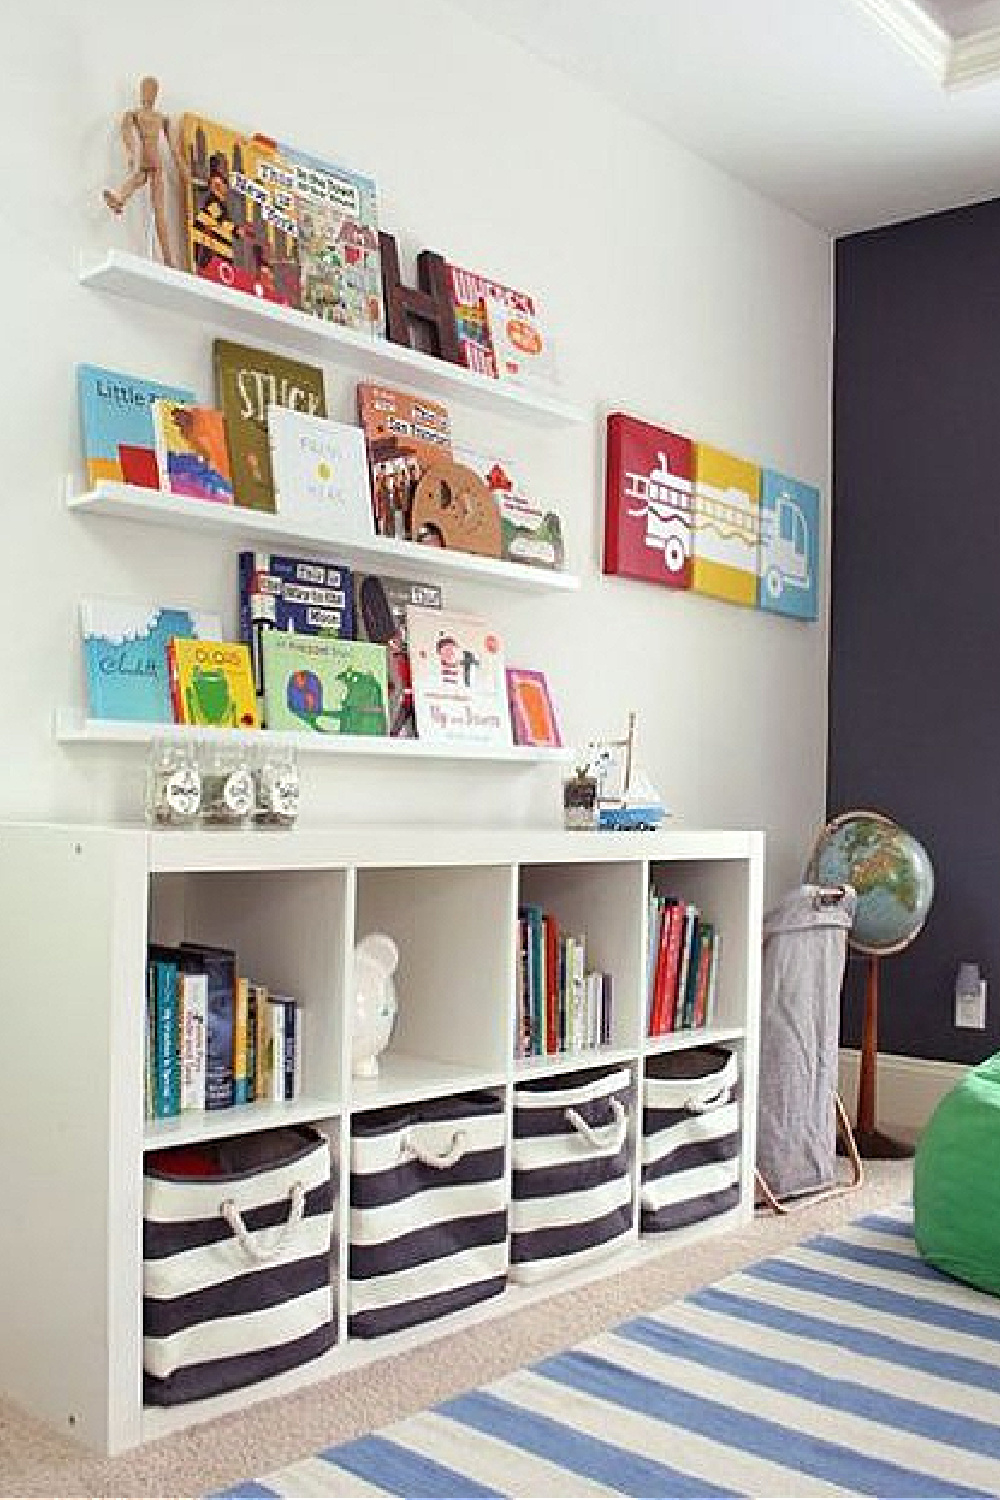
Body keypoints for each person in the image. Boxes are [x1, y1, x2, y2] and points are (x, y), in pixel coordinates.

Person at [103, 76, 186, 268]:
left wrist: (185, 172)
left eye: (152, 90)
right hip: (143, 159)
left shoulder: (162, 119)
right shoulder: (132, 114)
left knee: (159, 211)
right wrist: (132, 154)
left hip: (155, 162)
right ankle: (119, 199)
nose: (148, 94)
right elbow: (127, 135)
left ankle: (168, 260)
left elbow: (174, 149)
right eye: (146, 89)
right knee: (136, 180)